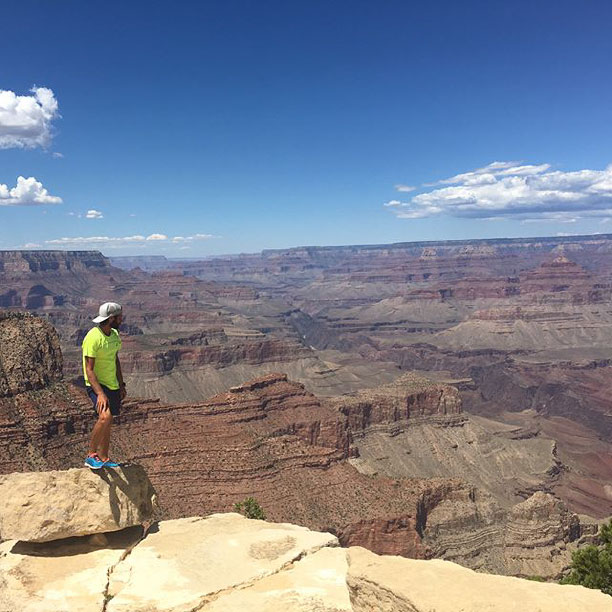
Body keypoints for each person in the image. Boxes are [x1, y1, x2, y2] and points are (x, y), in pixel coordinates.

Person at [82, 302, 126, 469]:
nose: (122, 319)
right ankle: (91, 455)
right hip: (96, 385)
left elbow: (115, 360)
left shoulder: (114, 335)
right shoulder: (93, 337)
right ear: (111, 318)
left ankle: (104, 457)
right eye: (119, 317)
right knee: (104, 417)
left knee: (109, 421)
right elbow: (89, 369)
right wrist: (100, 393)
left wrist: (121, 384)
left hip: (112, 384)